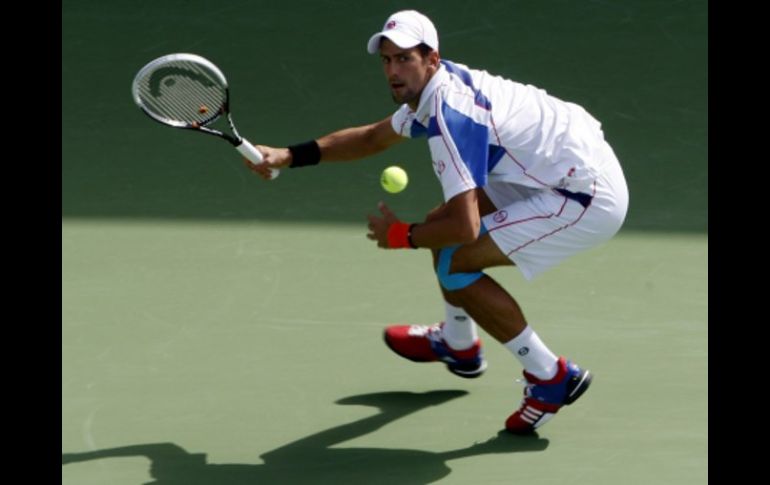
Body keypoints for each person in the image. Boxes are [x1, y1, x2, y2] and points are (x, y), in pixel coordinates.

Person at [246, 10, 629, 434]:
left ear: (431, 59)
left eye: (404, 59)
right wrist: (289, 155)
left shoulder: (452, 118)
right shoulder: (434, 89)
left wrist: (400, 235)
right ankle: (459, 344)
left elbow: (464, 230)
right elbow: (373, 137)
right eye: (387, 60)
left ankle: (550, 376)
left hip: (584, 195)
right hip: (554, 162)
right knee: (437, 224)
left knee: (454, 258)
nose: (393, 71)